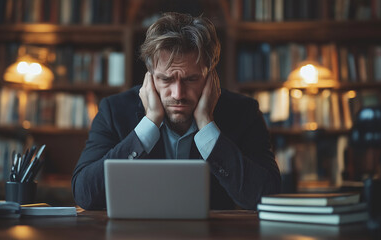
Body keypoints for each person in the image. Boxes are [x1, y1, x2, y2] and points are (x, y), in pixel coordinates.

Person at [72, 12, 280, 210]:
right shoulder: (114, 110)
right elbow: (84, 194)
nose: (178, 93)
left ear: (210, 76)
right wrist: (149, 124)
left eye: (191, 79)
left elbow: (267, 196)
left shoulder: (244, 113)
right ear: (150, 76)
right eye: (166, 79)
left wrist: (207, 126)